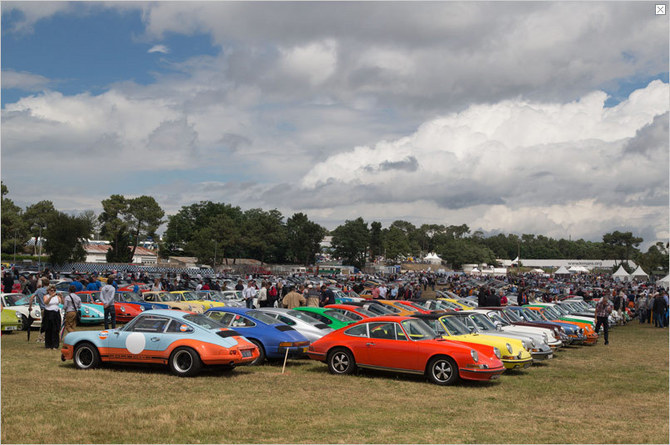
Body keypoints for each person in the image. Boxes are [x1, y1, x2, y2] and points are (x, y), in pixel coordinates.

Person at [42, 285, 63, 350]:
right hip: (48, 313)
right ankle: (48, 345)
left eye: (54, 290)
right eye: (51, 290)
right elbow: (46, 302)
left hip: (55, 313)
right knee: (48, 329)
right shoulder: (46, 296)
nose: (53, 292)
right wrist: (51, 296)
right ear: (48, 291)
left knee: (55, 329)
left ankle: (55, 345)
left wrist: (61, 297)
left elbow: (62, 302)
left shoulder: (57, 297)